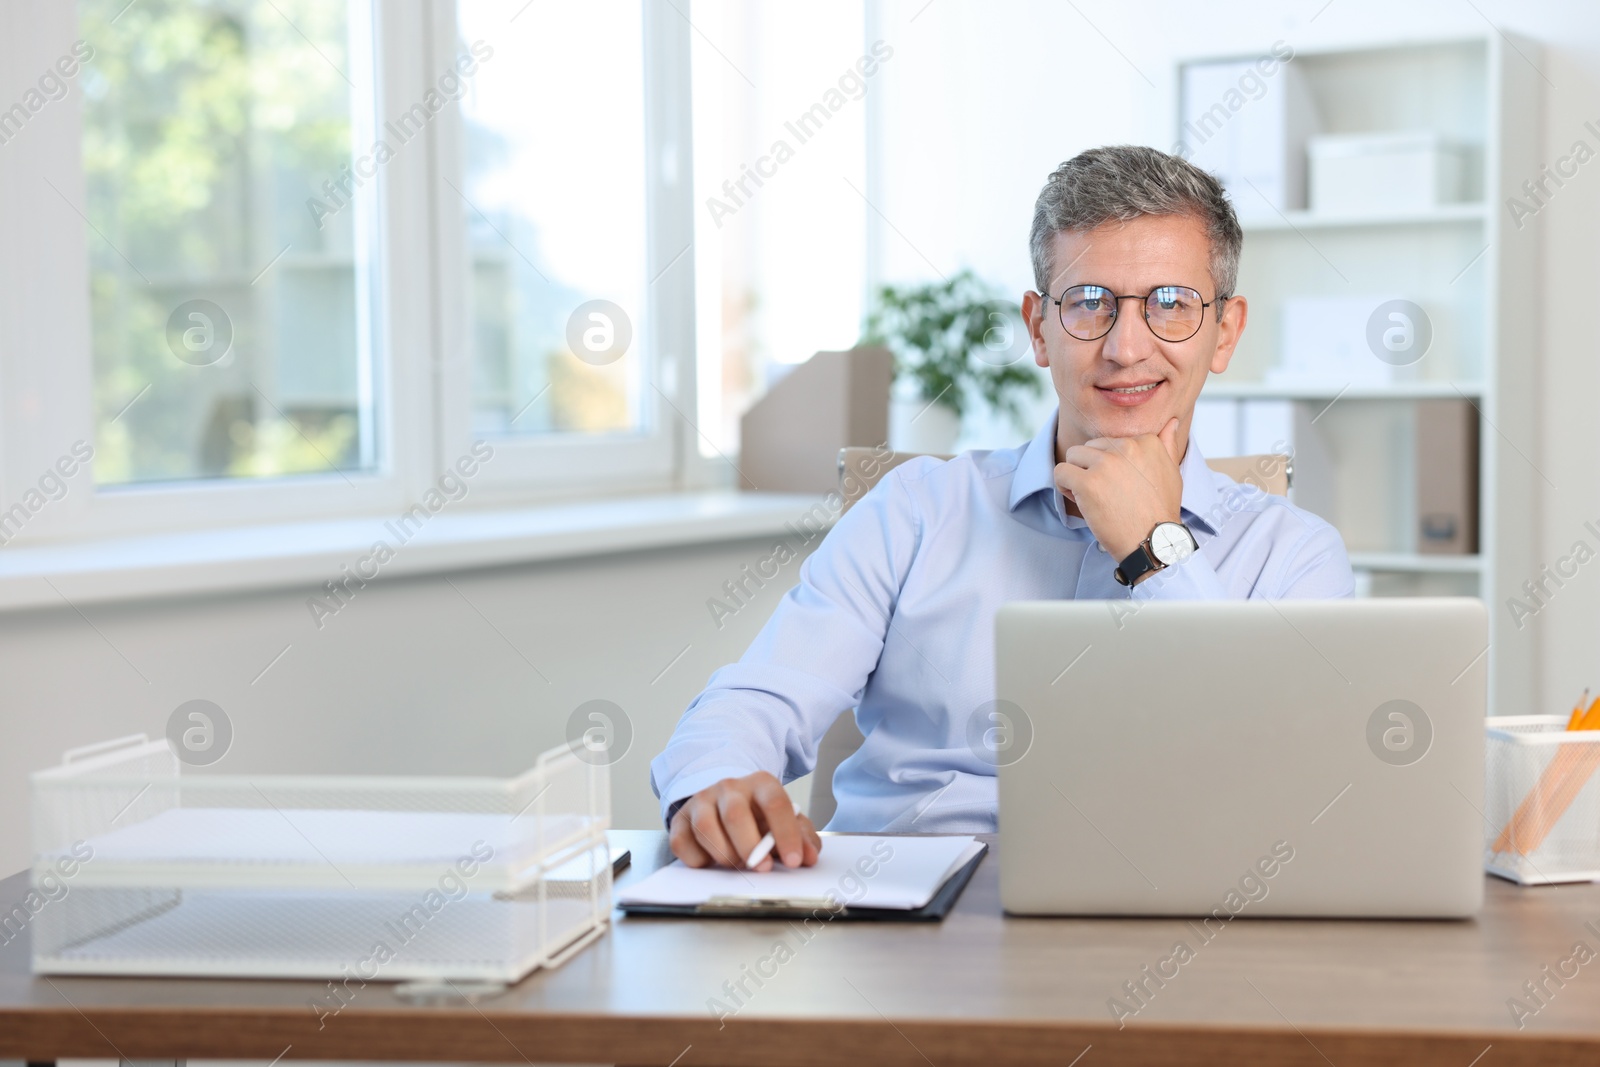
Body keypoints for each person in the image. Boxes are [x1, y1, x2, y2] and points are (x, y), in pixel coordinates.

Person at [651, 144, 1355, 871]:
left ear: (1226, 333)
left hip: (1160, 923)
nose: (1126, 346)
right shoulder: (916, 511)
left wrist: (1156, 545)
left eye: (1171, 304)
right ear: (1038, 329)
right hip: (909, 928)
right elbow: (759, 695)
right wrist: (714, 783)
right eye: (1089, 303)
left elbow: (1276, 782)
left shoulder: (1296, 554)